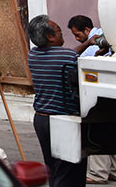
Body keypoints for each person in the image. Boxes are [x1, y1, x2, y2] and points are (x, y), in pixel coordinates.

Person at [27, 14, 87, 187]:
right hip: (62, 119)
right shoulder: (67, 57)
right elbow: (71, 56)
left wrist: (87, 45)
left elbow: (67, 54)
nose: (62, 36)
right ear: (50, 36)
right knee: (68, 170)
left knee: (53, 168)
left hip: (41, 118)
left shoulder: (33, 55)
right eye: (59, 32)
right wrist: (90, 45)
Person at [66, 15, 116, 184]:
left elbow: (75, 59)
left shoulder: (92, 43)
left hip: (96, 95)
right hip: (110, 93)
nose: (77, 39)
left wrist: (87, 45)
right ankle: (113, 171)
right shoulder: (108, 34)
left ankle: (98, 173)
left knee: (96, 131)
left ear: (87, 30)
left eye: (77, 35)